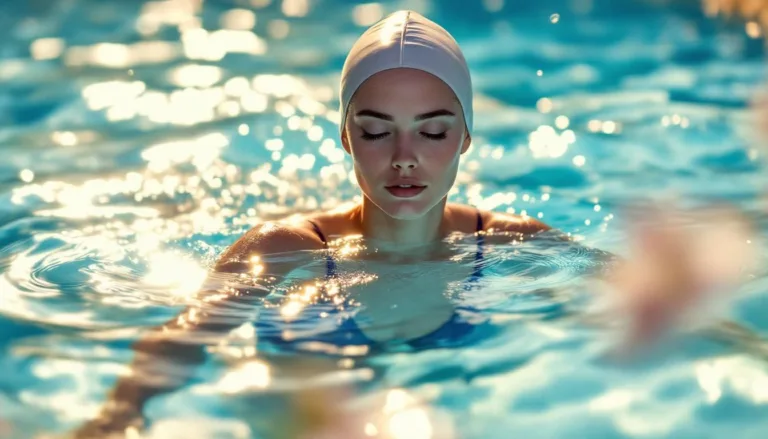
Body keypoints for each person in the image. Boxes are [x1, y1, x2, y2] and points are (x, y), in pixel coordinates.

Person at [72, 10, 552, 438]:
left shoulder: (516, 242)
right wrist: (118, 415)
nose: (404, 158)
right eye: (376, 132)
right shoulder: (281, 250)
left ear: (465, 136)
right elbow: (179, 342)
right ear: (345, 136)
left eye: (432, 132)